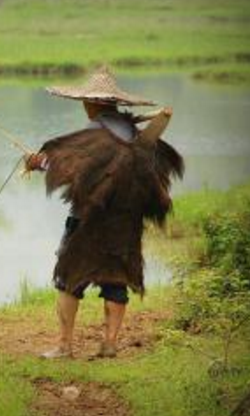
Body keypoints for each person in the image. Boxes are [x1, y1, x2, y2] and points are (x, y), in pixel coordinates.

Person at [25, 65, 184, 358]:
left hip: (86, 220)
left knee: (68, 278)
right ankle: (109, 343)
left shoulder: (92, 135)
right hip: (125, 222)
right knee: (116, 279)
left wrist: (38, 163)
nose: (85, 106)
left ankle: (64, 346)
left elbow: (71, 167)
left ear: (94, 103)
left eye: (87, 102)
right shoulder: (133, 134)